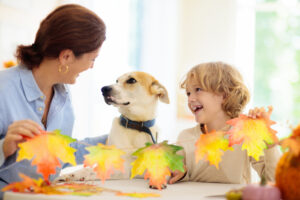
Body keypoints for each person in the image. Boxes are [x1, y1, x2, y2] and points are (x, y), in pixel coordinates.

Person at [0, 4, 107, 197]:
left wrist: (116, 138)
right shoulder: (3, 88)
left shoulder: (62, 95)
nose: (91, 67)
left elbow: (63, 153)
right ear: (66, 56)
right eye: (92, 59)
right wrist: (3, 147)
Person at [169, 62, 281, 184]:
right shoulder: (185, 137)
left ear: (225, 95)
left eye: (198, 89)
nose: (190, 99)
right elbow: (175, 176)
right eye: (188, 93)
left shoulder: (245, 136)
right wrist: (177, 172)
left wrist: (268, 141)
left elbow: (274, 180)